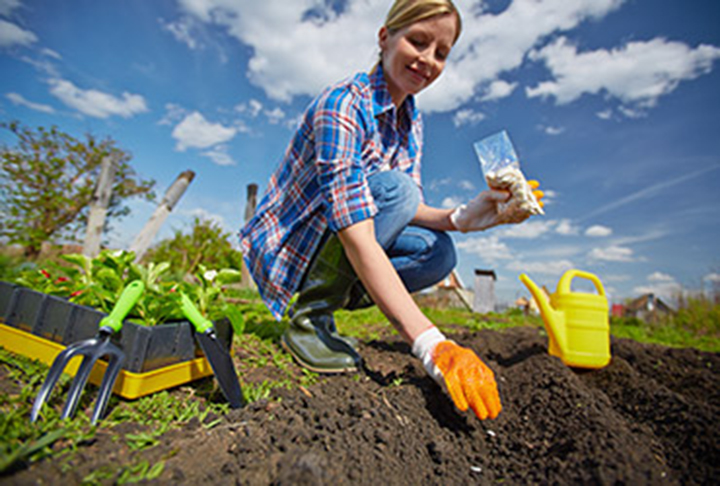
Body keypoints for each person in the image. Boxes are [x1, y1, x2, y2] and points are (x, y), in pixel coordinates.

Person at [240, 0, 544, 421]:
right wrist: (431, 344)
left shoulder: (410, 120)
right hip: (293, 249)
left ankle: (335, 299)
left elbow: (405, 208)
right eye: (418, 42)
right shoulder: (343, 105)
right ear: (385, 38)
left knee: (439, 252)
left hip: (345, 235)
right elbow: (360, 225)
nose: (428, 60)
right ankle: (309, 318)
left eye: (441, 53)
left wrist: (465, 217)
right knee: (396, 188)